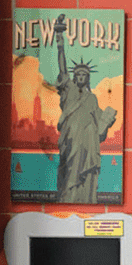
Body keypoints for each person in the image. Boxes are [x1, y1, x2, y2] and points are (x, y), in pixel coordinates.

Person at [53, 13, 117, 204]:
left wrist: (106, 120)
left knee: (86, 175)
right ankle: (68, 197)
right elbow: (62, 67)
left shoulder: (92, 98)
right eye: (78, 74)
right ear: (74, 77)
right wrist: (59, 41)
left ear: (87, 78)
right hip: (70, 139)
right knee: (70, 170)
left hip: (88, 142)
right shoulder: (69, 90)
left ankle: (84, 198)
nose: (80, 77)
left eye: (84, 75)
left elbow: (99, 127)